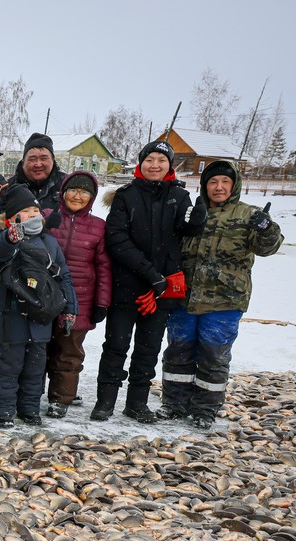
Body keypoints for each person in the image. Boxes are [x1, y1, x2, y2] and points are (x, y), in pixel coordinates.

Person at [161, 160, 283, 428]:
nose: (218, 187)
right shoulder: (193, 213)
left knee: (214, 355)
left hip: (225, 300)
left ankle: (205, 408)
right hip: (185, 298)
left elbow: (267, 248)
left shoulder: (248, 215)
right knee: (178, 351)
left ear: (234, 185)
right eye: (213, 182)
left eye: (224, 182)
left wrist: (267, 228)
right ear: (205, 186)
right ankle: (174, 404)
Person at [92, 140, 206, 422]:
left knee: (148, 348)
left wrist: (198, 219)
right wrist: (150, 274)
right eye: (150, 159)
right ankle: (105, 401)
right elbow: (117, 240)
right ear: (140, 164)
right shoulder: (125, 196)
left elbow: (184, 233)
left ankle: (137, 403)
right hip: (127, 285)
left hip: (164, 289)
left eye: (161, 160)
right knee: (116, 346)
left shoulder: (179, 197)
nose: (155, 165)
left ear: (170, 166)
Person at [0, 185, 77, 428]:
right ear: (12, 217)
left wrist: (70, 308)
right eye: (25, 211)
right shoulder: (0, 238)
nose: (33, 215)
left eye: (36, 210)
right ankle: (4, 410)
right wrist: (9, 238)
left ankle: (29, 409)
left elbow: (63, 276)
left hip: (40, 319)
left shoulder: (49, 242)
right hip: (9, 318)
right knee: (7, 368)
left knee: (36, 369)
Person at [42, 171, 112, 418]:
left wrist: (102, 303)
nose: (77, 196)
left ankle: (60, 398)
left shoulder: (98, 227)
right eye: (73, 190)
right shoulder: (48, 217)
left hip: (80, 300)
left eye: (84, 192)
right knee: (39, 348)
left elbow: (104, 268)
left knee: (68, 352)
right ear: (62, 192)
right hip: (44, 297)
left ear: (91, 198)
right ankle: (30, 392)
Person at [8, 132, 67, 215]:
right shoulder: (8, 187)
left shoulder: (67, 185)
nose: (38, 164)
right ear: (23, 162)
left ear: (53, 161)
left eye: (44, 159)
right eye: (32, 159)